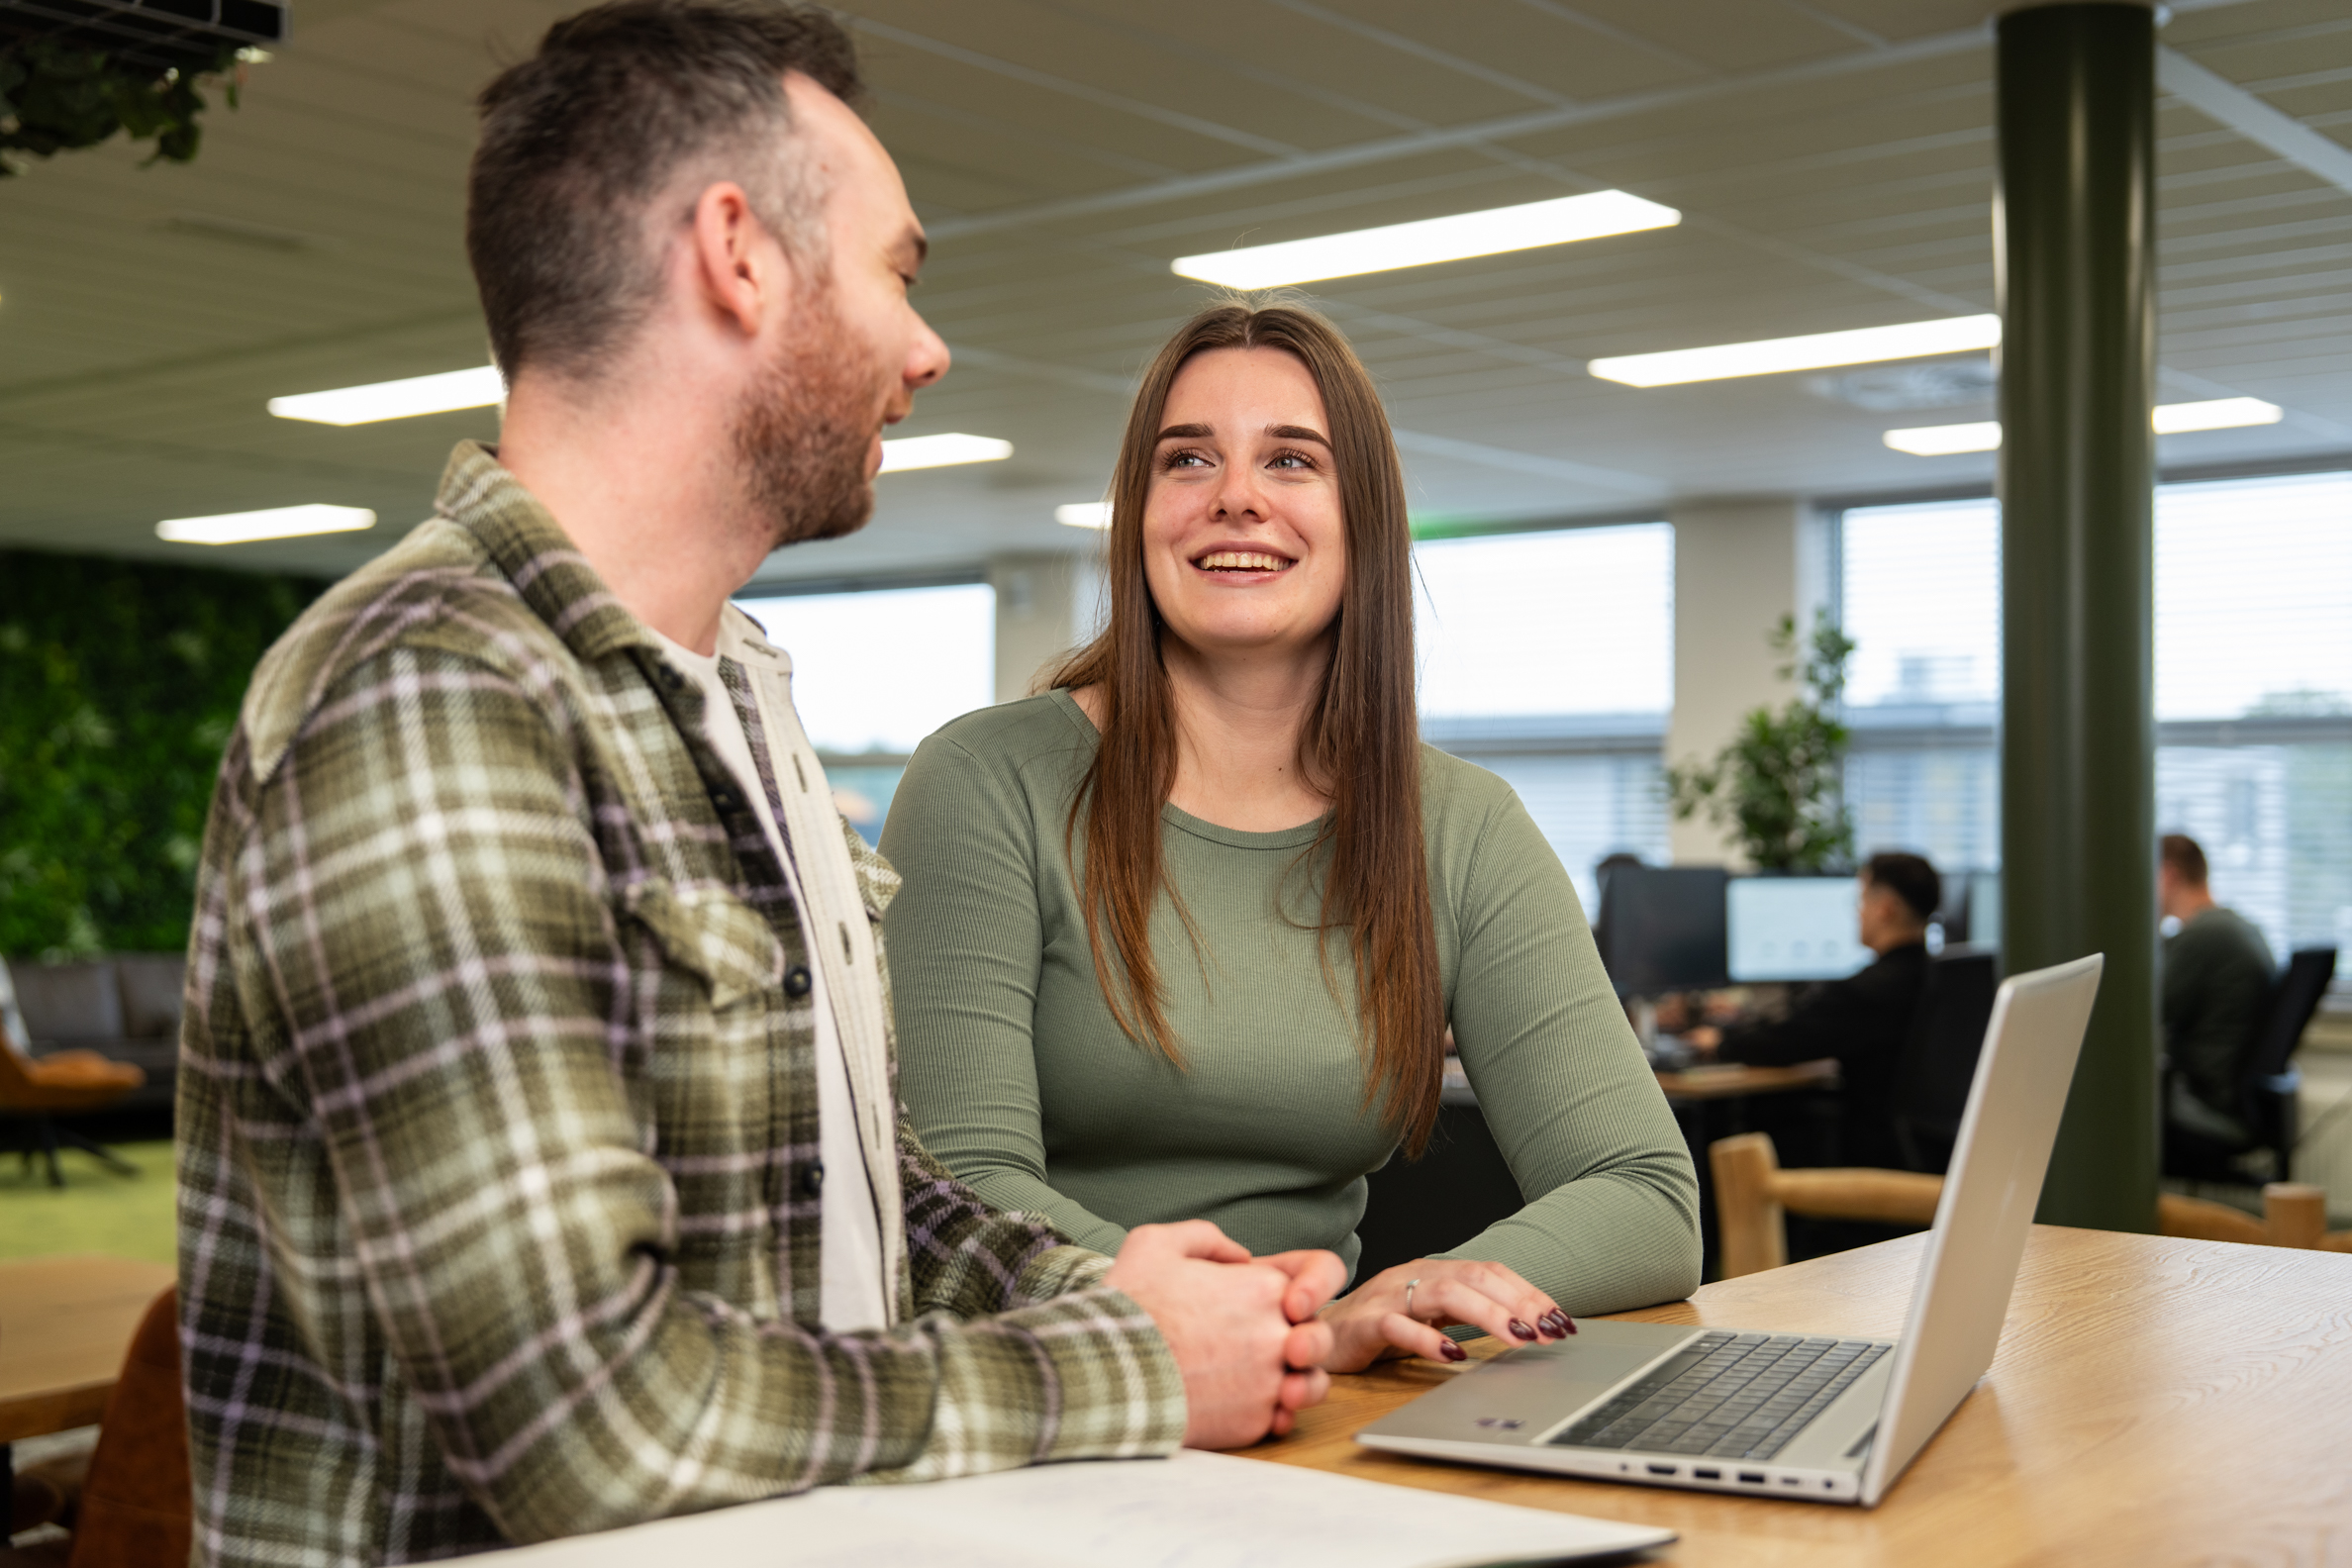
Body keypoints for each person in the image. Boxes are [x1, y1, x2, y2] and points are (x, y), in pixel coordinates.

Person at [174, 10, 1343, 1565]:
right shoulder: (428, 690)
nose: (926, 349)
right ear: (738, 253)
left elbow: (860, 1201)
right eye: (897, 273)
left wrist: (1123, 1294)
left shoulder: (741, 695)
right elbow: (586, 1422)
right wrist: (1129, 1365)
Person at [879, 303, 1700, 1376]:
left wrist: (1416, 1288)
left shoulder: (1459, 825)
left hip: (1316, 1411)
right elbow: (962, 1197)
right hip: (1058, 1387)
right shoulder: (988, 781)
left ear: (1363, 513)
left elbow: (1644, 1191)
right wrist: (1286, 1330)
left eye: (1291, 460)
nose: (1236, 497)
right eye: (1188, 460)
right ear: (1140, 514)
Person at [1685, 851, 1940, 1168]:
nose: (1857, 913)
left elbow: (1786, 1041)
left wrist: (1719, 1041)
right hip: (1928, 1153)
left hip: (1873, 1161)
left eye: (1860, 901)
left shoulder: (1866, 991)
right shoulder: (1942, 977)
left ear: (1885, 908)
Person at [2159, 833, 2276, 1146]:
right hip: (2229, 1098)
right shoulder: (2236, 928)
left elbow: (2150, 1010)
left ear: (2168, 874)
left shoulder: (2205, 936)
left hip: (2206, 1101)